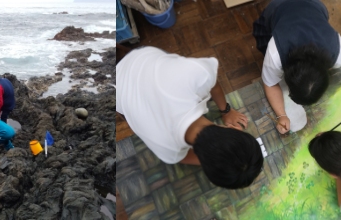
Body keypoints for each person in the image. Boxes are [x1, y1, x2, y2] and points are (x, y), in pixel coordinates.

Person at [112, 46, 263, 189]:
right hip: (117, 83)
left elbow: (213, 84)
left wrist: (226, 111)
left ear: (234, 128)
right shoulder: (168, 150)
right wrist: (215, 160)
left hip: (140, 61)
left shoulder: (198, 74)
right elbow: (183, 158)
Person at [252, 0, 341, 134]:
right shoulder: (276, 52)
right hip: (282, 5)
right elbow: (270, 84)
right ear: (287, 76)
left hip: (314, 6)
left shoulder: (337, 55)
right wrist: (281, 115)